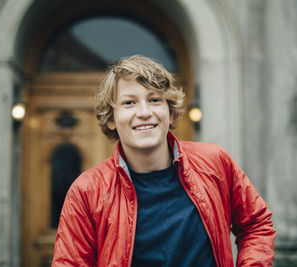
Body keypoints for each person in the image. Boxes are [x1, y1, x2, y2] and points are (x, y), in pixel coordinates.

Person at [52, 55, 276, 267]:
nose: (144, 112)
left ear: (170, 113)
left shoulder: (215, 162)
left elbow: (256, 224)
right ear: (111, 119)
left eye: (155, 100)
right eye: (129, 103)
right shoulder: (87, 191)